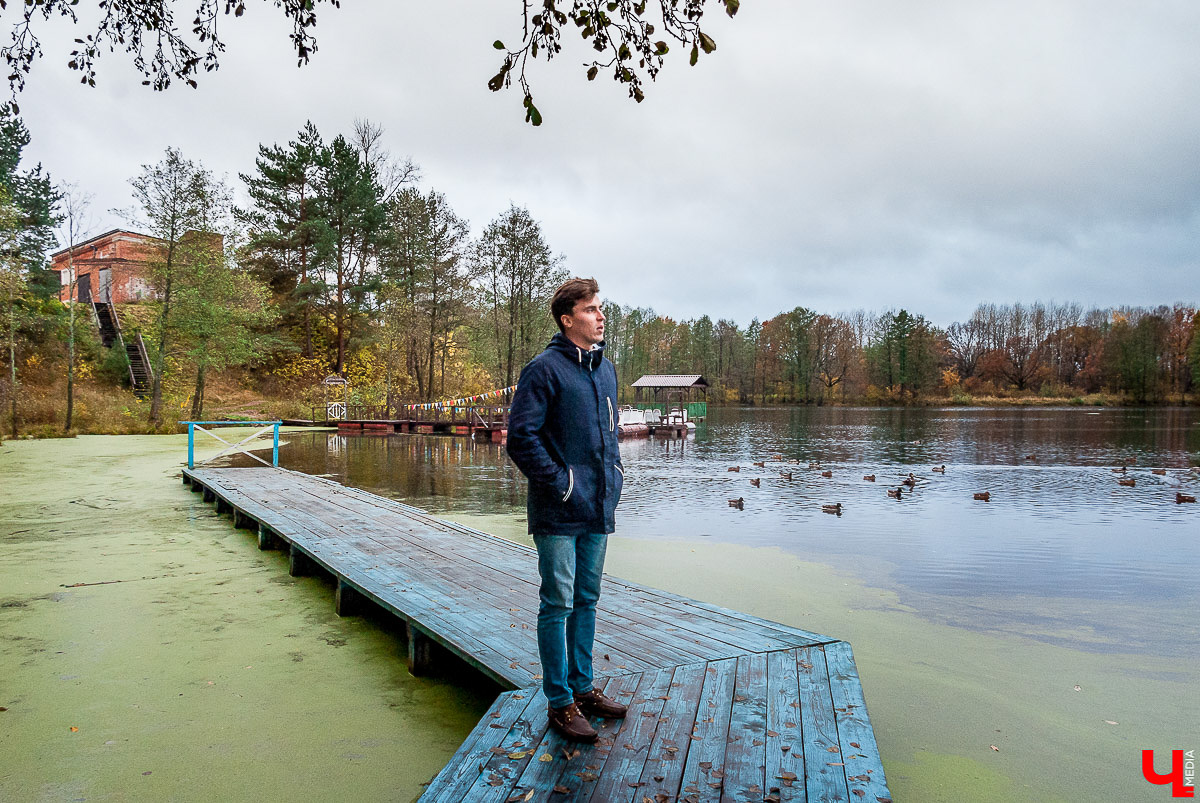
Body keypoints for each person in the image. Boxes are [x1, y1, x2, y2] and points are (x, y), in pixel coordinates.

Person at [505, 277, 627, 743]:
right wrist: (563, 484)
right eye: (591, 309)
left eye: (600, 308)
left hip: (598, 506)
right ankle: (559, 702)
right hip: (558, 510)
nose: (600, 316)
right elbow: (521, 439)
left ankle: (582, 687)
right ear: (567, 318)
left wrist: (613, 478)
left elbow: (609, 435)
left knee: (587, 598)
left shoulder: (605, 369)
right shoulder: (544, 370)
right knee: (557, 601)